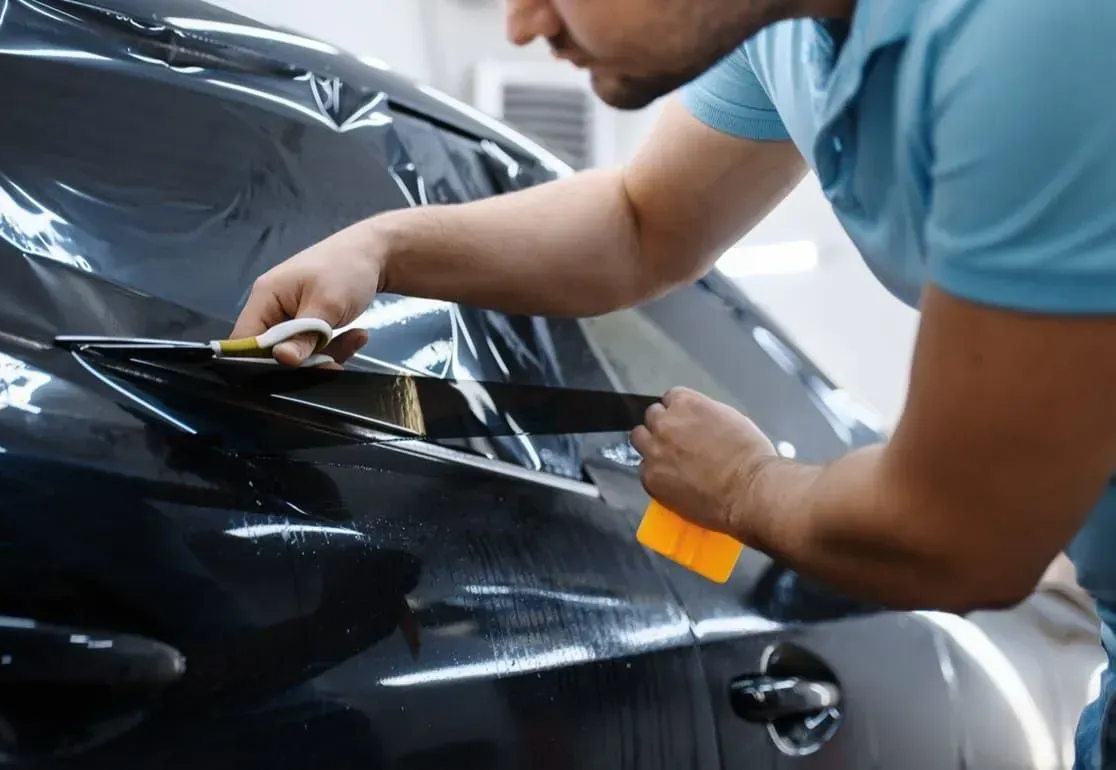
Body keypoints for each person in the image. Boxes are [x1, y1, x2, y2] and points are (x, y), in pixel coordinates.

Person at [229, 1, 1116, 766]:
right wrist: (382, 248)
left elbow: (962, 534)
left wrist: (747, 486)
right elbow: (640, 222)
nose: (524, 23)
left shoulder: (1037, 37)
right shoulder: (784, 34)